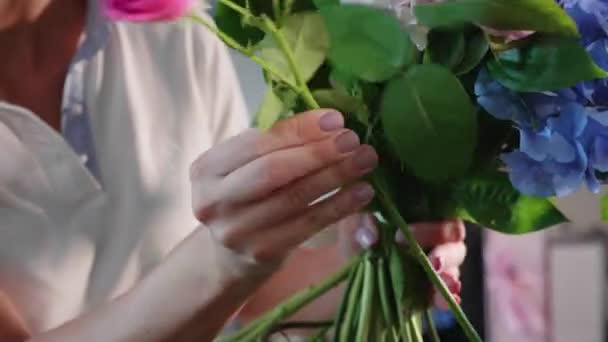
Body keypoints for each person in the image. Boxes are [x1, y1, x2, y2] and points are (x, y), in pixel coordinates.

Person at [0, 0, 467, 340]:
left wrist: (370, 260)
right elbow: (217, 266)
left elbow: (244, 289)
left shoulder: (166, 25)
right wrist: (224, 258)